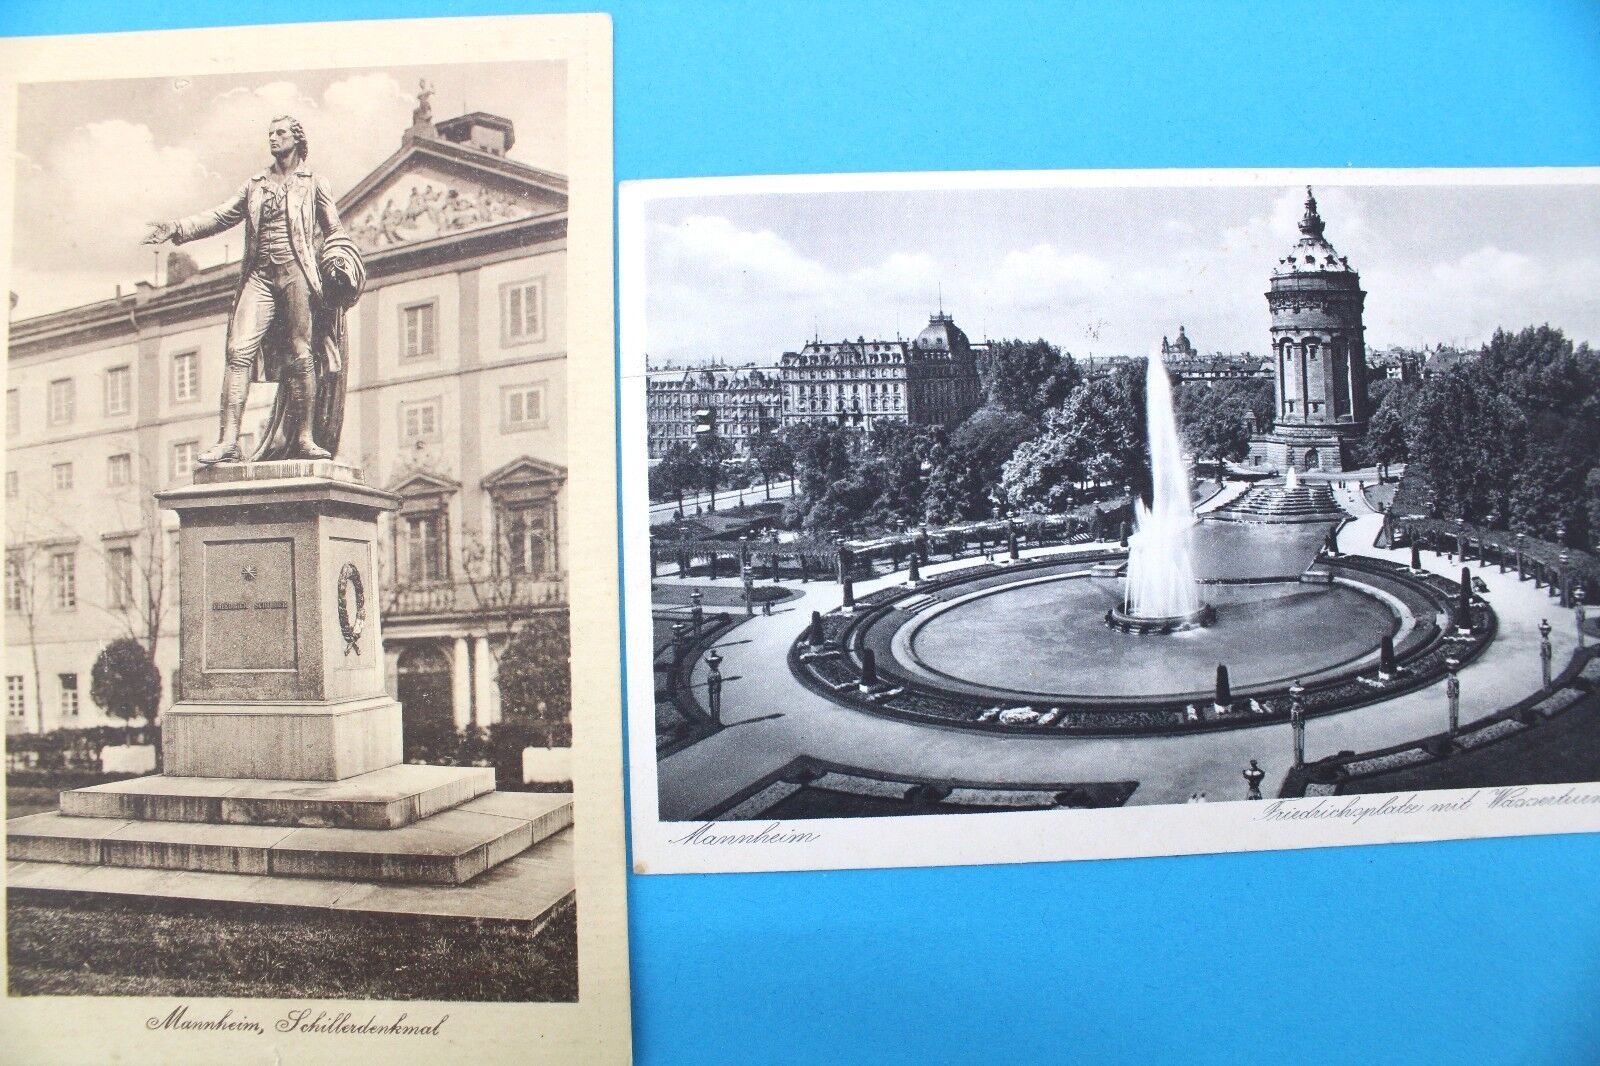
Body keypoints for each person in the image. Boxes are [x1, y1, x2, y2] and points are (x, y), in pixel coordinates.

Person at [143, 114, 364, 463]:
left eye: (280, 133)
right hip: (260, 276)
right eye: (270, 133)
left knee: (301, 353)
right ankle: (228, 440)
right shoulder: (255, 185)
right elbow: (220, 216)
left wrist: (337, 262)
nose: (273, 139)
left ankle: (305, 438)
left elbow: (334, 230)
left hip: (297, 272)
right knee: (237, 351)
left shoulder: (315, 183)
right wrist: (176, 227)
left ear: (296, 140)